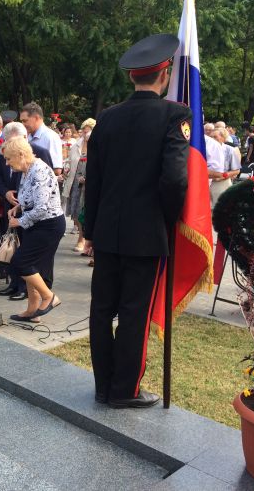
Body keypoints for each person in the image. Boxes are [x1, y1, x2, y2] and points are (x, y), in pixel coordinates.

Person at [83, 33, 191, 409]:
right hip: (146, 234)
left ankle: (103, 386)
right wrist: (166, 219)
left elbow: (92, 182)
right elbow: (175, 179)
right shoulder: (174, 115)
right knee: (134, 314)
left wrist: (90, 230)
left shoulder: (107, 119)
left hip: (108, 233)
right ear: (165, 75)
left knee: (101, 310)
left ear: (133, 77)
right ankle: (124, 390)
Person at [3, 135, 65, 320]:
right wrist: (18, 206)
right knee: (33, 266)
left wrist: (20, 221)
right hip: (37, 225)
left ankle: (49, 297)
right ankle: (33, 310)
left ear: (21, 155)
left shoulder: (39, 170)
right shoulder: (27, 169)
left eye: (8, 158)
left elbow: (42, 207)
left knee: (20, 263)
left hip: (48, 225)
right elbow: (33, 197)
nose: (7, 163)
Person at [63, 118, 95, 252]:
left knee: (84, 211)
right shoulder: (77, 144)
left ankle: (82, 239)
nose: (85, 133)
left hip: (89, 184)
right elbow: (70, 161)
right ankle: (83, 237)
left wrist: (88, 178)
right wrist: (67, 168)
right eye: (84, 130)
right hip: (75, 182)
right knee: (76, 212)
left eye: (88, 130)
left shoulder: (97, 144)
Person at [20, 102, 64, 175]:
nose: (22, 124)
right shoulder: (26, 137)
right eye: (21, 121)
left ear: (36, 118)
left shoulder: (51, 137)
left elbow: (57, 170)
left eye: (25, 121)